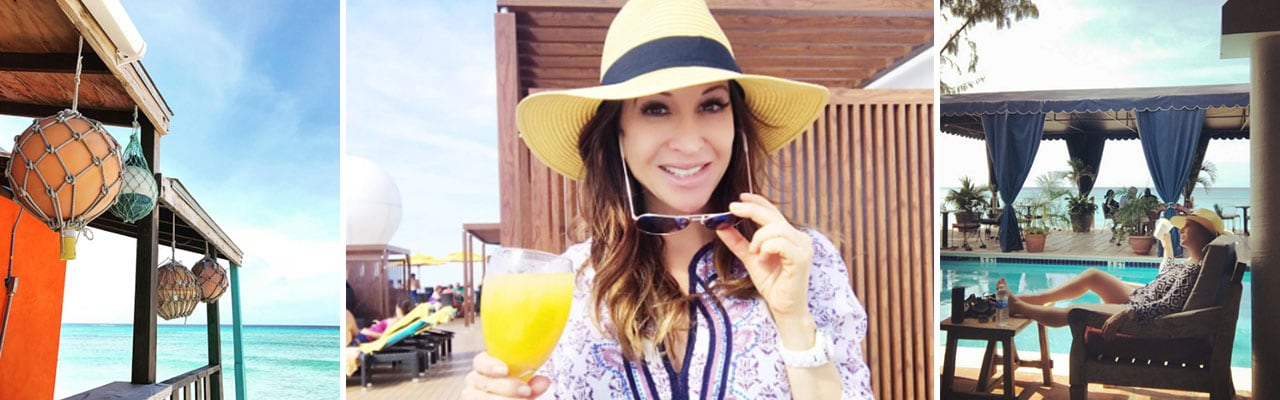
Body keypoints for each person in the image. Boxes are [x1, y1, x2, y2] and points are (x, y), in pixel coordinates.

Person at [463, 1, 872, 398]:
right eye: (656, 109)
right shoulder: (568, 284)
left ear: (736, 123)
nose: (691, 143)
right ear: (618, 134)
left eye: (711, 105)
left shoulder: (802, 261)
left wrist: (793, 318)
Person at [1008, 208, 1228, 339]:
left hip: (1136, 311)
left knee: (1076, 312)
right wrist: (1167, 245)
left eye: (1187, 226)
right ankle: (1037, 299)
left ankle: (1019, 306)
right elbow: (1166, 276)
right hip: (1140, 297)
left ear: (1202, 234)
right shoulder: (1192, 262)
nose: (1181, 229)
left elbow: (1169, 306)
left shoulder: (1193, 271)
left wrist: (1127, 313)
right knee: (1093, 275)